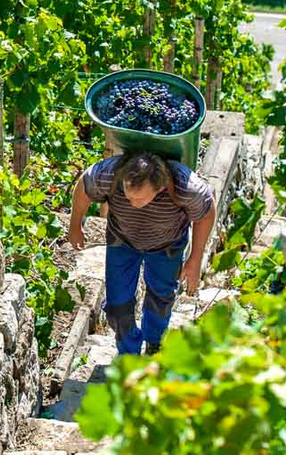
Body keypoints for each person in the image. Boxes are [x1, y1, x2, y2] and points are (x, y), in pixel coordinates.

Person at [68, 150, 216, 355]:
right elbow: (84, 185)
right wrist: (75, 225)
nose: (132, 204)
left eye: (139, 199)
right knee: (117, 306)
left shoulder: (186, 187)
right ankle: (129, 354)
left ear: (160, 187)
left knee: (161, 297)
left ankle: (154, 342)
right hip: (122, 241)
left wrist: (195, 258)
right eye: (128, 196)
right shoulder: (109, 175)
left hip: (167, 245)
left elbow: (207, 212)